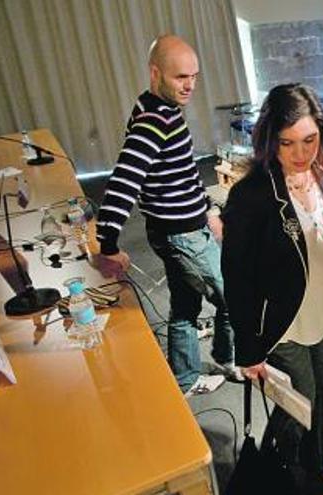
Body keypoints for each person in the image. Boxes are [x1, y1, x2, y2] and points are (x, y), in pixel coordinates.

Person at [221, 83, 323, 489]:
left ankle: (318, 459)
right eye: (288, 143)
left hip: (322, 311)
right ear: (270, 140)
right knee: (299, 405)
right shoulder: (251, 196)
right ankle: (276, 471)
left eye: (310, 140)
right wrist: (247, 349)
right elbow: (237, 278)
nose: (301, 153)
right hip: (282, 323)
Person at [93, 35, 234, 396]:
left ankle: (186, 378)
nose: (190, 85)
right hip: (181, 234)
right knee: (233, 295)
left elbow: (185, 173)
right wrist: (107, 242)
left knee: (185, 304)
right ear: (156, 73)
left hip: (178, 227)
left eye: (194, 76)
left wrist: (208, 210)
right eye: (180, 77)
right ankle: (230, 358)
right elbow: (125, 179)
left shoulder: (155, 107)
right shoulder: (155, 119)